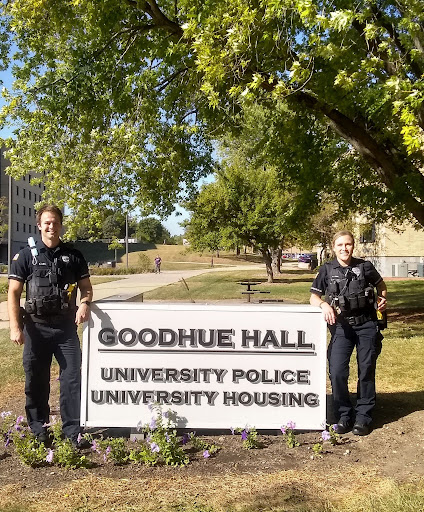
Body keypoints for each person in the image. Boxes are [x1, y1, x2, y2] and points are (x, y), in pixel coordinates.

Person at [8, 204, 93, 448]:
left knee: (71, 380)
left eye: (55, 222)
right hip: (35, 328)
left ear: (60, 224)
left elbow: (86, 287)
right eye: (47, 222)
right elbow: (13, 292)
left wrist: (85, 303)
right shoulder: (26, 256)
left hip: (65, 329)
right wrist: (15, 327)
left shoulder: (73, 255)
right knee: (36, 380)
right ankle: (39, 431)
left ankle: (72, 433)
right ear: (39, 225)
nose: (51, 226)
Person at [310, 230, 387, 436]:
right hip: (341, 327)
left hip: (367, 325)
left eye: (348, 244)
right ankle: (343, 416)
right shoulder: (326, 270)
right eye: (340, 245)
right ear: (333, 247)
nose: (344, 249)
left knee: (366, 370)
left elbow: (381, 286)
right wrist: (324, 305)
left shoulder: (365, 267)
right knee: (337, 371)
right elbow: (313, 297)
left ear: (353, 246)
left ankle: (363, 417)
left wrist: (382, 299)